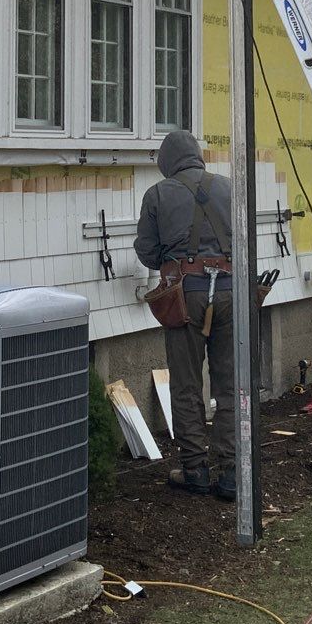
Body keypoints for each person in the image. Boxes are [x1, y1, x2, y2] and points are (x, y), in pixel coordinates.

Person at [134, 130, 236, 500]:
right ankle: (231, 473)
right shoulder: (228, 187)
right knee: (231, 385)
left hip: (186, 296)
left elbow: (147, 252)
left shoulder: (159, 194)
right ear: (197, 155)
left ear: (167, 161)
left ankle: (194, 468)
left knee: (187, 384)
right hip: (230, 292)